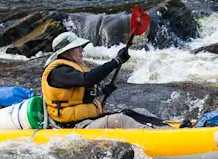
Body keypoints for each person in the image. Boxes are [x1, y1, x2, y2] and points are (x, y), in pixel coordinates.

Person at [42, 32, 171, 129]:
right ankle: (163, 139)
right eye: (77, 47)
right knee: (120, 120)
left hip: (88, 120)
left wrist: (102, 91)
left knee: (135, 113)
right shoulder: (58, 72)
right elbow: (88, 79)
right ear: (65, 52)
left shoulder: (71, 69)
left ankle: (167, 129)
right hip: (73, 127)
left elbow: (79, 96)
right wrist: (115, 62)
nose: (82, 50)